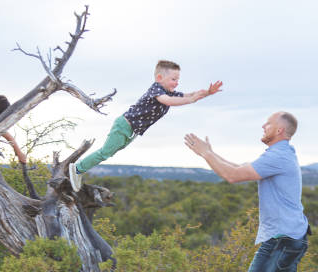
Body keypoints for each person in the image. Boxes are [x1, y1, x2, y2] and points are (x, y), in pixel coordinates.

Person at [185, 111, 313, 272]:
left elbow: (232, 177)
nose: (263, 126)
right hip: (292, 238)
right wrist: (211, 152)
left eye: (268, 123)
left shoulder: (278, 156)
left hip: (281, 240)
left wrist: (205, 155)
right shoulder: (280, 155)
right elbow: (236, 168)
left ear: (279, 130)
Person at [69, 60, 222, 192]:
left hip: (130, 132)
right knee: (105, 153)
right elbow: (169, 101)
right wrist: (191, 100)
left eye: (178, 79)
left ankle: (80, 169)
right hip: (124, 126)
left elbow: (189, 95)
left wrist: (207, 92)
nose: (177, 83)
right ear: (160, 77)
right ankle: (77, 169)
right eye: (173, 79)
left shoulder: (169, 92)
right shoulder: (157, 90)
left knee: (110, 152)